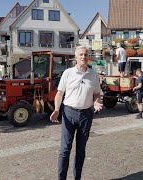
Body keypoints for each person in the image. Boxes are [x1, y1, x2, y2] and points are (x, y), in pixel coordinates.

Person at [50, 46, 102, 180]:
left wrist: (96, 102)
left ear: (88, 56)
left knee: (81, 150)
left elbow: (97, 93)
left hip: (86, 115)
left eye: (85, 54)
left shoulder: (93, 74)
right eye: (81, 55)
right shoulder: (68, 73)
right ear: (76, 57)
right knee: (65, 150)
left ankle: (77, 178)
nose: (83, 57)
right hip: (69, 113)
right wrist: (56, 109)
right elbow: (59, 93)